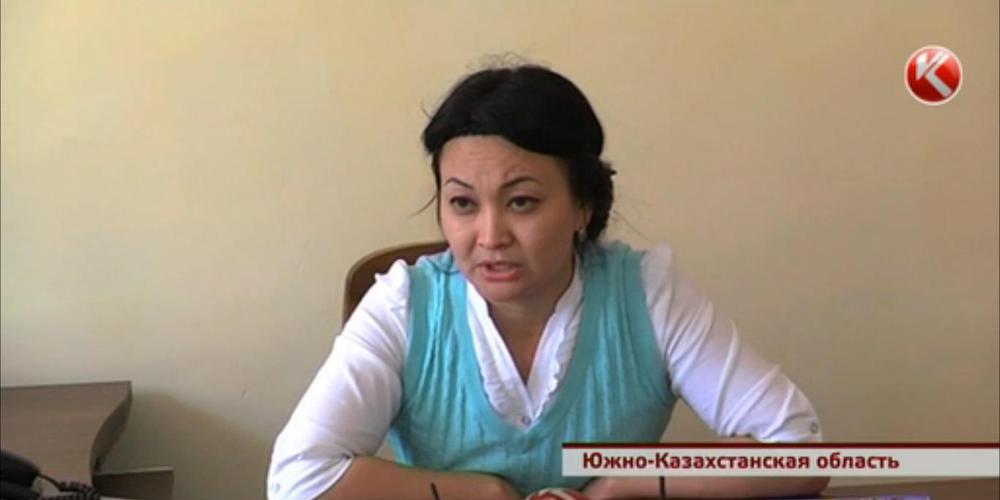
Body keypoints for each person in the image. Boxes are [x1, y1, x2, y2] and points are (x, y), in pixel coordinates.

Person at [267, 64, 828, 500]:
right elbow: (298, 478)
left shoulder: (647, 292)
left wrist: (620, 481)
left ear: (584, 206)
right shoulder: (404, 304)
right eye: (463, 203)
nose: (490, 236)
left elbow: (803, 451)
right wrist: (487, 494)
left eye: (522, 202)